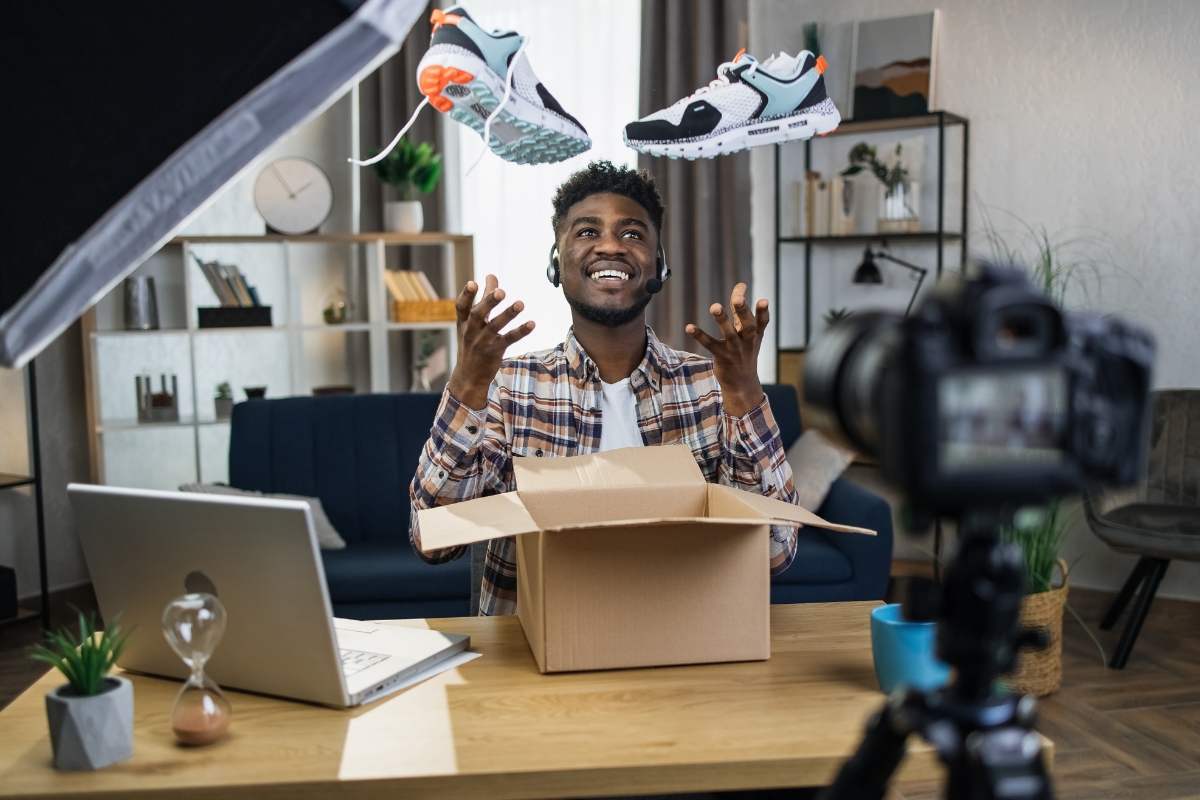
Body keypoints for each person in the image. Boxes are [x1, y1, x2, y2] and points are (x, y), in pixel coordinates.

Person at [409, 160, 799, 615]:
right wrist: (469, 382)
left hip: (686, 646)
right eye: (587, 232)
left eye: (633, 234)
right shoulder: (508, 388)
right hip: (532, 658)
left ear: (660, 263)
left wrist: (745, 394)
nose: (610, 246)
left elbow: (776, 552)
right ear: (556, 263)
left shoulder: (713, 386)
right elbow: (432, 541)